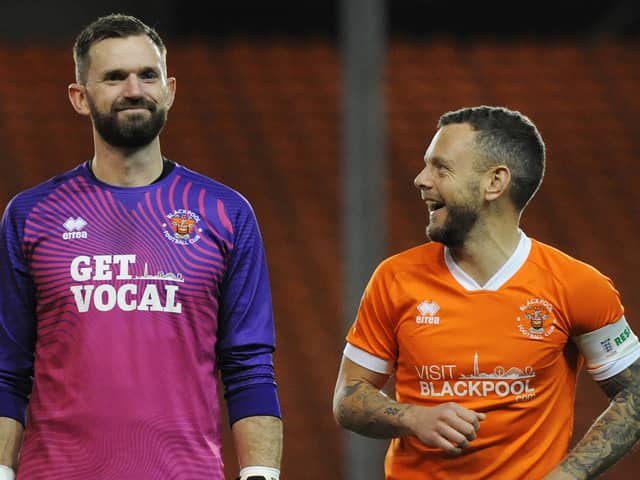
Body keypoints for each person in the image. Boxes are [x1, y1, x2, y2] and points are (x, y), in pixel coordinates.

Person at [0, 13, 282, 480]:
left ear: (169, 89)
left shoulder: (224, 213)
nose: (134, 90)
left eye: (147, 75)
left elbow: (249, 366)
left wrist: (261, 475)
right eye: (114, 77)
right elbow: (7, 369)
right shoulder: (31, 215)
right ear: (80, 98)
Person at [333, 105, 640, 479]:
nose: (421, 179)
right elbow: (348, 396)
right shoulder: (394, 278)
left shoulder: (577, 285)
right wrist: (412, 417)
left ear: (495, 183)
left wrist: (568, 475)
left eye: (440, 168)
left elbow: (634, 393)